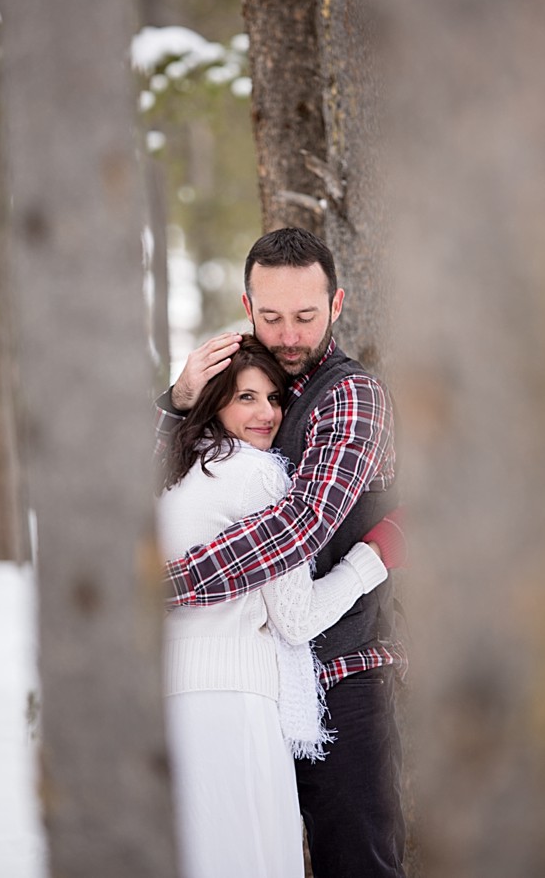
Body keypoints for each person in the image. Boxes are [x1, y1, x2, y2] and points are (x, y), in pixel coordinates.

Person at [155, 227, 407, 878]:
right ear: (248, 308)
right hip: (257, 685)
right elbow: (163, 494)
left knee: (355, 863)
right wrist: (178, 405)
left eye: (305, 316)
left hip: (341, 672)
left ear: (338, 304)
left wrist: (167, 585)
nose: (289, 334)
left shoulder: (350, 396)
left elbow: (302, 522)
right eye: (271, 317)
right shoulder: (246, 389)